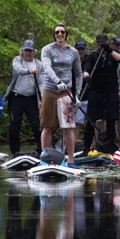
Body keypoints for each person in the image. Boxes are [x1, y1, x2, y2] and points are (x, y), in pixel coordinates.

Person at [39, 24, 83, 167]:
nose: (60, 34)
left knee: (68, 126)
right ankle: (45, 159)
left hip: (67, 92)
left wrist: (77, 94)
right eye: (57, 32)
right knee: (47, 126)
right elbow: (46, 66)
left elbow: (78, 74)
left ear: (66, 34)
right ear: (54, 34)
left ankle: (70, 160)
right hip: (50, 89)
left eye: (62, 32)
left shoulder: (73, 52)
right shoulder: (47, 49)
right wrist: (57, 81)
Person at [81, 34, 120, 154]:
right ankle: (87, 148)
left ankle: (110, 145)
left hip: (111, 91)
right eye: (99, 43)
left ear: (107, 42)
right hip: (96, 91)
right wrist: (86, 77)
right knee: (92, 119)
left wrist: (109, 50)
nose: (101, 45)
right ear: (96, 43)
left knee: (111, 119)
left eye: (103, 43)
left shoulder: (112, 54)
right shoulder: (93, 55)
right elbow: (86, 69)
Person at [4, 39, 44, 156]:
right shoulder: (17, 60)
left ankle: (41, 150)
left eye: (30, 51)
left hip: (31, 99)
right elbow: (18, 70)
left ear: (34, 52)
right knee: (14, 125)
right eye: (26, 50)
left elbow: (41, 82)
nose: (28, 53)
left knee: (37, 125)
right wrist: (29, 71)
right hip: (16, 97)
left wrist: (41, 98)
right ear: (22, 51)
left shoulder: (39, 64)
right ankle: (15, 151)